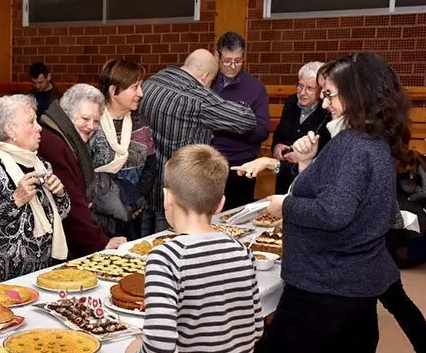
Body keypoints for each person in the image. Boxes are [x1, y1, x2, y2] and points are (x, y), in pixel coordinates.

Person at [261, 52, 411, 353]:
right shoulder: (371, 140)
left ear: (355, 95)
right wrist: (309, 166)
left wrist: (287, 205)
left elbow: (333, 213)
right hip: (355, 283)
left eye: (330, 95)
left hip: (324, 284)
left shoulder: (351, 146)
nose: (324, 104)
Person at [125, 144, 263, 353]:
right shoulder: (241, 250)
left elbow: (161, 347)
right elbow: (256, 327)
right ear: (221, 203)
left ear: (167, 198)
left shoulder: (166, 256)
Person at [0, 94, 70, 286]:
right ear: (10, 130)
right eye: (31, 122)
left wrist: (59, 194)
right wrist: (15, 200)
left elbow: (62, 214)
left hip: (35, 277)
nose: (39, 128)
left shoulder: (41, 165)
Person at [139, 49, 256, 235]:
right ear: (205, 76)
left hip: (148, 188)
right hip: (182, 194)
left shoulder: (151, 82)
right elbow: (247, 120)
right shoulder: (197, 98)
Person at [38, 84, 127, 259]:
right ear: (67, 114)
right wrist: (101, 242)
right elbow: (72, 201)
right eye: (85, 119)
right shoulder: (54, 144)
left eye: (95, 121)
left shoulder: (65, 136)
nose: (91, 126)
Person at [89, 58, 157, 240]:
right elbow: (81, 171)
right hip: (97, 220)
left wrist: (136, 200)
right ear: (113, 91)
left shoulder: (139, 122)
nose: (140, 93)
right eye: (135, 87)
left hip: (133, 213)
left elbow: (151, 165)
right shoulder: (91, 123)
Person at [211, 32, 270, 210]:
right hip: (208, 164)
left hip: (241, 166)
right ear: (217, 56)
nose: (233, 66)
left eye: (238, 60)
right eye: (227, 61)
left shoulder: (255, 87)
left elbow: (262, 131)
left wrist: (231, 123)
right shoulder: (207, 81)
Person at [271, 61, 331, 193]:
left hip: (310, 180)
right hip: (283, 175)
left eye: (310, 88)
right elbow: (279, 134)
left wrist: (303, 157)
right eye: (300, 86)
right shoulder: (291, 103)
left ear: (321, 90)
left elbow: (327, 149)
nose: (302, 92)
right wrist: (276, 147)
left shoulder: (328, 111)